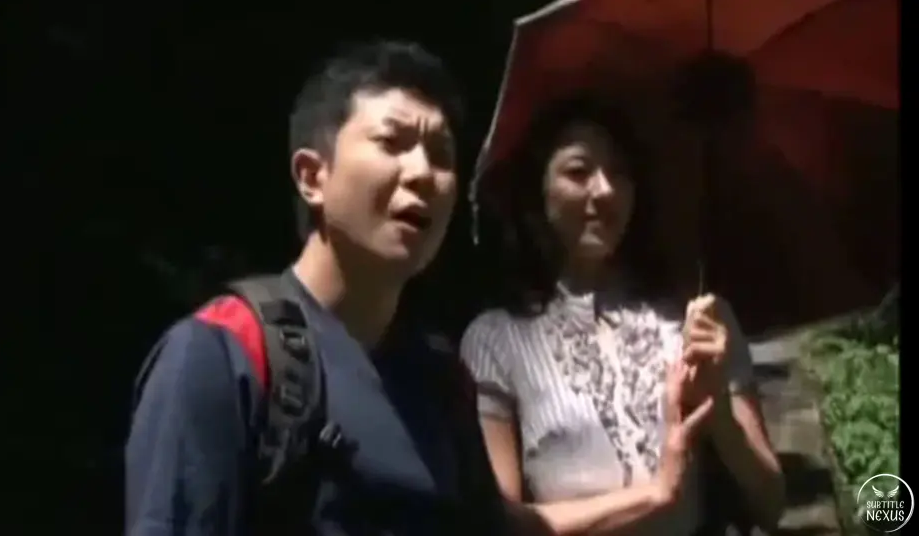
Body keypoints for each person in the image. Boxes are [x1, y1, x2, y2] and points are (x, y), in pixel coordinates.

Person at [125, 40, 551, 536]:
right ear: (312, 177)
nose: (422, 174)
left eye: (441, 155)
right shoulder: (221, 353)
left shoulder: (444, 386)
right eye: (391, 142)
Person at [461, 98, 786, 536]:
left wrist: (720, 413)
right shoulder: (495, 340)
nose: (605, 190)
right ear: (536, 192)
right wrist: (653, 495)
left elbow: (770, 504)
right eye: (579, 172)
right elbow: (500, 524)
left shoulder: (699, 321)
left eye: (619, 172)